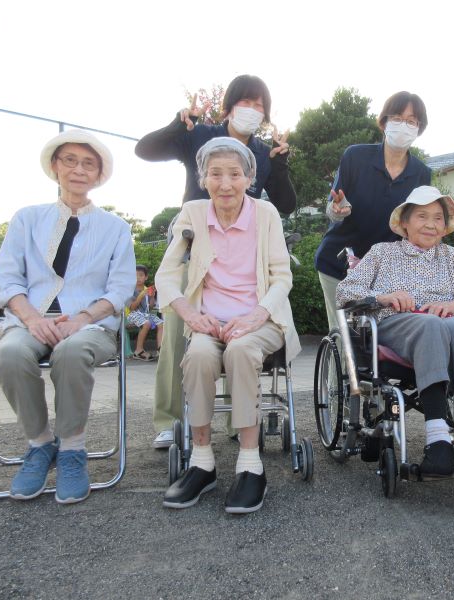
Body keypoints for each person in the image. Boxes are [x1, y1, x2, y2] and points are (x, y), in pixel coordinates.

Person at [135, 74, 296, 449]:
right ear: (228, 106)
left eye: (260, 106)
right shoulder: (200, 134)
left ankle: (233, 424)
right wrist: (178, 123)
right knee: (181, 339)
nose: (253, 112)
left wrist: (282, 164)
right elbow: (146, 150)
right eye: (247, 103)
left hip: (241, 256)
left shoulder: (261, 153)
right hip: (195, 249)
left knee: (239, 337)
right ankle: (171, 419)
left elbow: (283, 205)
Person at [0, 130, 136, 504]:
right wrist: (32, 318)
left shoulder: (116, 229)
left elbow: (120, 290)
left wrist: (82, 318)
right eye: (69, 160)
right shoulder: (27, 219)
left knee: (71, 351)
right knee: (10, 353)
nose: (78, 170)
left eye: (88, 163)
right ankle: (39, 445)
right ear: (55, 166)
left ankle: (72, 449)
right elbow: (6, 278)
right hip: (29, 319)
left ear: (99, 174)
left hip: (91, 324)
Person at [155, 137, 300, 513]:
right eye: (215, 174)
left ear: (249, 177)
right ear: (203, 178)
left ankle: (251, 464)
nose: (225, 183)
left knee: (240, 349)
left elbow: (282, 277)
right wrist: (189, 314)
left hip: (260, 319)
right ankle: (202, 461)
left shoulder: (266, 214)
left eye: (234, 174)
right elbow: (167, 276)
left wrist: (257, 314)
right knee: (201, 355)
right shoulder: (192, 213)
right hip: (207, 320)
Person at [336, 186, 454, 477]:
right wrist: (384, 297)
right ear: (404, 222)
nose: (430, 224)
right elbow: (345, 291)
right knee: (433, 324)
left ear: (445, 226)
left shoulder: (452, 257)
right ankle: (438, 438)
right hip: (397, 325)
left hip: (447, 329)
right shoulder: (382, 253)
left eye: (438, 218)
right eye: (422, 216)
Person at [314, 91, 432, 333]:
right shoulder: (355, 157)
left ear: (419, 128)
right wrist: (338, 209)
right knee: (344, 339)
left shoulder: (421, 173)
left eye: (412, 121)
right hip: (339, 263)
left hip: (384, 273)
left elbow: (417, 226)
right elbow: (333, 207)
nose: (404, 125)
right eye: (398, 118)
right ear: (384, 122)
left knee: (376, 343)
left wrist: (443, 220)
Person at [127, 264, 164, 360]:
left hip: (145, 314)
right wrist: (141, 295)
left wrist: (152, 296)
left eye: (140, 275)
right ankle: (138, 351)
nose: (138, 278)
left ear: (146, 277)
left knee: (161, 324)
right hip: (131, 315)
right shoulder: (129, 290)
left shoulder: (146, 289)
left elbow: (150, 307)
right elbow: (132, 307)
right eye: (135, 275)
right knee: (146, 323)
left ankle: (160, 349)